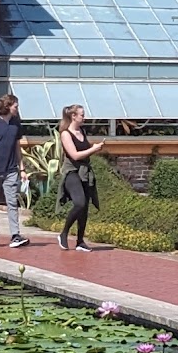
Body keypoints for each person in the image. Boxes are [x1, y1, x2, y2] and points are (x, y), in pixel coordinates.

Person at [0, 92, 29, 247]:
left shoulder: (16, 124)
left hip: (11, 170)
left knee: (12, 202)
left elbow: (17, 147)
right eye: (16, 106)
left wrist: (22, 169)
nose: (17, 109)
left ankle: (15, 235)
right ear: (8, 106)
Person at [56, 104, 101, 250]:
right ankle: (63, 233)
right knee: (79, 203)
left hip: (85, 173)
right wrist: (93, 150)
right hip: (72, 172)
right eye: (82, 115)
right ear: (73, 116)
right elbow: (74, 155)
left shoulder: (82, 131)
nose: (84, 117)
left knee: (85, 208)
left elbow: (84, 150)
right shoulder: (65, 134)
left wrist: (93, 149)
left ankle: (80, 241)